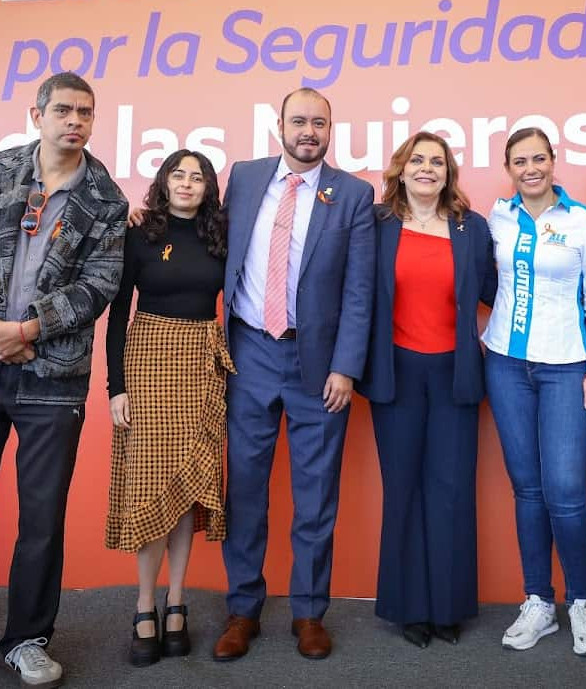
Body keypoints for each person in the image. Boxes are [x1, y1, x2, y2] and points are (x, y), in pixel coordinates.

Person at [212, 87, 375, 662]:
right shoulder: (245, 177)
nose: (309, 131)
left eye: (319, 123)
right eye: (299, 121)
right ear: (279, 125)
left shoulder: (353, 194)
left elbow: (360, 290)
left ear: (331, 129)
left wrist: (346, 368)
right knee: (244, 490)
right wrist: (149, 218)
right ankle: (242, 610)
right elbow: (208, 239)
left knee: (315, 495)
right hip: (249, 354)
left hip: (318, 365)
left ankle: (308, 612)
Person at [0, 72, 127, 687]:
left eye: (86, 112)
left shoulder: (107, 199)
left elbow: (98, 286)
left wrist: (25, 330)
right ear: (37, 115)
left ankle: (26, 639)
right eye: (64, 110)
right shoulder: (3, 172)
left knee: (41, 518)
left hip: (53, 377)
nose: (75, 121)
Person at [357, 132, 496, 649]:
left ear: (448, 173)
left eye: (437, 162)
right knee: (405, 489)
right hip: (395, 372)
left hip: (454, 373)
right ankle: (410, 608)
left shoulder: (471, 227)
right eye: (417, 160)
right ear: (401, 168)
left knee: (451, 489)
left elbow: (498, 289)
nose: (427, 169)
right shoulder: (377, 223)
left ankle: (448, 607)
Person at [481, 127, 586, 657]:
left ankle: (582, 601)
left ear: (554, 162)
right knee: (527, 489)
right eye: (520, 161)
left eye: (538, 158)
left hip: (567, 367)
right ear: (508, 168)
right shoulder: (496, 218)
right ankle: (538, 600)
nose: (530, 168)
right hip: (505, 365)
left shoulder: (585, 221)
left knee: (566, 492)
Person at [105, 150, 233, 667]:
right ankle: (144, 605)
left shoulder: (220, 235)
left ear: (208, 188)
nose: (186, 183)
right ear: (164, 181)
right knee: (152, 486)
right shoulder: (140, 233)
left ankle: (176, 602)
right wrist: (116, 388)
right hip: (148, 365)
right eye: (178, 174)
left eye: (197, 177)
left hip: (202, 365)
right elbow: (118, 314)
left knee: (187, 490)